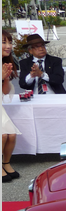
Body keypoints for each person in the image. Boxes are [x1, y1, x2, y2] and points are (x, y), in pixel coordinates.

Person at [2, 30, 21, 183]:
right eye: (3, 42)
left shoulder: (5, 64)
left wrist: (6, 79)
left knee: (11, 135)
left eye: (9, 42)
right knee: (3, 135)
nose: (8, 46)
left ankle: (5, 163)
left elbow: (5, 93)